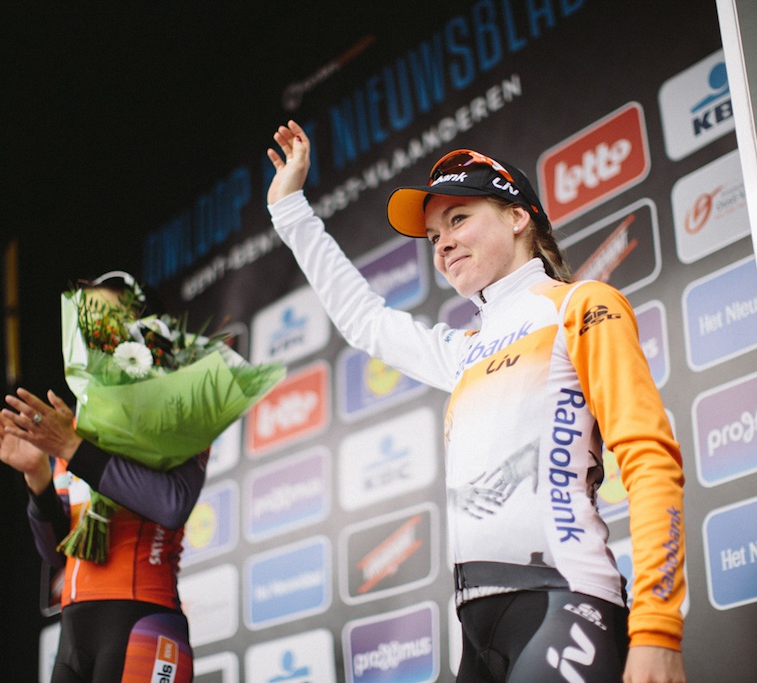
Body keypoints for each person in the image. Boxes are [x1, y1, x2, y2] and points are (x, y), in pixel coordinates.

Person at [266, 121, 686, 683]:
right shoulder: (464, 353)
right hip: (474, 628)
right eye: (434, 234)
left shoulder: (581, 305)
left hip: (566, 601)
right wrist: (290, 210)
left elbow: (650, 459)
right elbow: (365, 320)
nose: (441, 243)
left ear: (518, 217)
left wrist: (658, 628)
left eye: (458, 218)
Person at [0, 273, 204, 683]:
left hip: (142, 624)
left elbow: (172, 504)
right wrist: (38, 476)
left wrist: (72, 450)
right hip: (74, 633)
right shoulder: (80, 422)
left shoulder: (178, 403)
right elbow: (57, 552)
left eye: (105, 320)